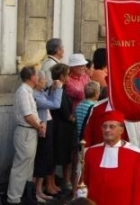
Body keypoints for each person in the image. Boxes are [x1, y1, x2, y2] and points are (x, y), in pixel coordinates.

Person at [84, 110, 140, 205]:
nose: (107, 130)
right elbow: (84, 183)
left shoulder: (136, 155)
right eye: (104, 126)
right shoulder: (91, 152)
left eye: (112, 127)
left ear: (121, 130)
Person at [6, 67, 45, 204]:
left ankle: (26, 195)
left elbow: (32, 114)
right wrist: (39, 126)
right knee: (21, 166)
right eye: (36, 75)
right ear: (32, 77)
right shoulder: (23, 92)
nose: (38, 77)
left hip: (30, 131)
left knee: (28, 166)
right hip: (25, 131)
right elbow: (28, 116)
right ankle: (13, 199)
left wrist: (39, 124)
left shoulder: (28, 91)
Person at [32, 71, 63, 201]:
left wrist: (53, 89)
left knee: (46, 158)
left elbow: (49, 99)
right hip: (42, 127)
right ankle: (36, 191)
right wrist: (59, 90)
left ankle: (39, 189)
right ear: (37, 81)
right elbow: (55, 104)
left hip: (48, 125)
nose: (46, 82)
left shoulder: (41, 92)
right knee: (42, 158)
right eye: (44, 80)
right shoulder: (35, 95)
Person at [49, 63, 77, 191]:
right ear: (62, 76)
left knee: (58, 156)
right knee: (55, 157)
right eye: (67, 75)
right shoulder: (58, 89)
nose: (69, 77)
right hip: (60, 128)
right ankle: (50, 184)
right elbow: (65, 111)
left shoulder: (57, 88)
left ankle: (52, 183)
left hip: (60, 127)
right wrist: (76, 119)